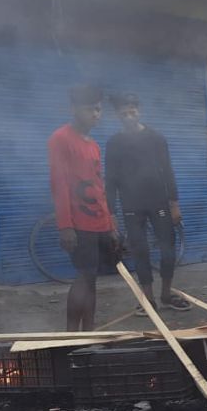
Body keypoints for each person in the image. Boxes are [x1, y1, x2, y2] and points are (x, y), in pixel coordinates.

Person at [104, 92, 187, 313]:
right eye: (124, 112)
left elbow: (168, 171)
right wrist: (110, 213)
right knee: (140, 251)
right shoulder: (113, 143)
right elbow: (110, 179)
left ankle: (167, 294)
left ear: (139, 111)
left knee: (167, 249)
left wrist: (174, 203)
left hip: (159, 201)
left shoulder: (156, 138)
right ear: (117, 115)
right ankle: (148, 300)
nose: (129, 115)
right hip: (131, 205)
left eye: (132, 110)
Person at [49, 84, 117, 331]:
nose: (96, 114)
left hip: (99, 223)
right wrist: (65, 226)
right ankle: (71, 334)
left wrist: (110, 223)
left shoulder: (93, 144)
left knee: (92, 279)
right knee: (84, 276)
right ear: (74, 109)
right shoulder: (60, 139)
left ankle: (89, 331)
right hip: (79, 224)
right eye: (90, 109)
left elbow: (100, 187)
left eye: (99, 110)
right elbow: (59, 184)